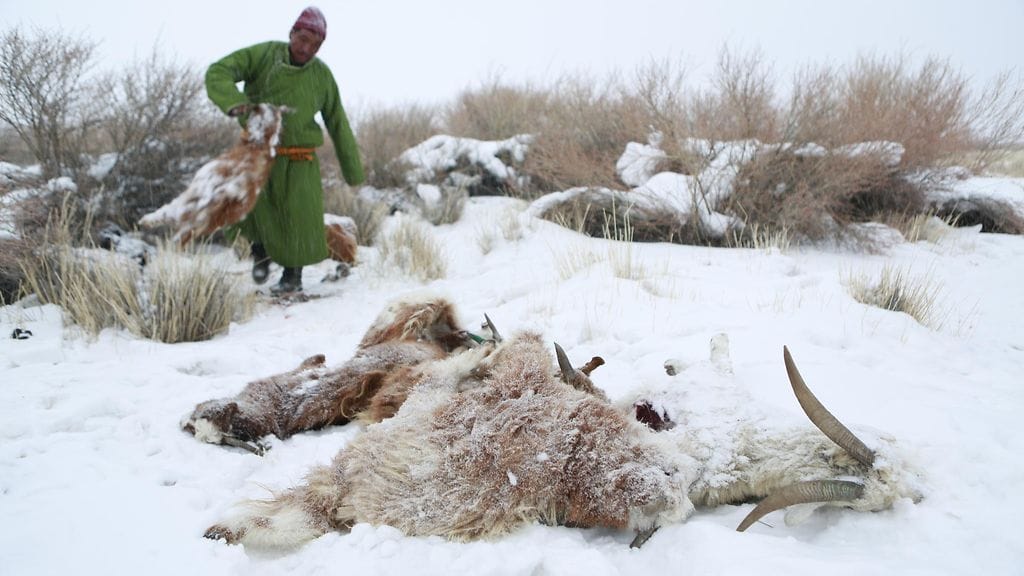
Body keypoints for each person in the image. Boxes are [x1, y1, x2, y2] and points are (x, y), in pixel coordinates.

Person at [205, 6, 365, 295]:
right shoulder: (264, 55)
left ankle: (292, 278)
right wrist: (236, 102)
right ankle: (260, 253)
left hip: (300, 160)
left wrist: (352, 168)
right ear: (292, 33)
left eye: (315, 45)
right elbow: (219, 71)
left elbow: (337, 120)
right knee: (250, 210)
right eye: (303, 39)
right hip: (258, 154)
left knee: (299, 218)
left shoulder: (321, 76)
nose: (307, 48)